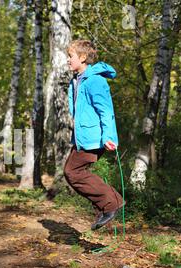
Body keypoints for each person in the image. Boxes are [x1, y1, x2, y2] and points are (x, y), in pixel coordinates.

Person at [64, 40, 124, 230]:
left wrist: (109, 137)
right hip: (83, 138)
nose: (68, 60)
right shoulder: (77, 80)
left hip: (95, 138)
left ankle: (110, 204)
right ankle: (106, 206)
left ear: (82, 58)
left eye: (70, 56)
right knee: (73, 172)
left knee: (73, 172)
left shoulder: (95, 80)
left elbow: (106, 110)